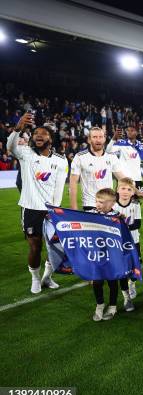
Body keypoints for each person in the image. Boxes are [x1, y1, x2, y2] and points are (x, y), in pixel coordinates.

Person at [7, 112, 68, 294]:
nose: (38, 135)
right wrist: (18, 128)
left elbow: (58, 188)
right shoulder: (25, 154)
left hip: (50, 210)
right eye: (35, 133)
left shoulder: (60, 160)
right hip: (31, 209)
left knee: (54, 247)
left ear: (51, 138)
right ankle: (35, 278)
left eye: (43, 133)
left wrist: (54, 210)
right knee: (35, 246)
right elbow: (11, 147)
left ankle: (47, 277)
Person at [69, 127, 126, 211]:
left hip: (110, 205)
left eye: (100, 137)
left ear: (104, 139)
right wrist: (73, 208)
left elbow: (122, 178)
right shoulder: (80, 157)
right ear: (89, 140)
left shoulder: (111, 157)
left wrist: (137, 192)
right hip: (91, 204)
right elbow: (73, 182)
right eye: (95, 137)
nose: (98, 140)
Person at [89, 188, 123, 321]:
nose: (98, 204)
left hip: (112, 255)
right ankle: (100, 304)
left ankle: (113, 306)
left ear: (112, 204)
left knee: (112, 281)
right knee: (97, 281)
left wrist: (123, 221)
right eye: (97, 201)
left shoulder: (117, 215)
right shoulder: (90, 213)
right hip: (96, 254)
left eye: (102, 202)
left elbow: (124, 232)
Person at [113, 177, 142, 303]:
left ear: (133, 193)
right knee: (123, 265)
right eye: (123, 188)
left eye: (129, 189)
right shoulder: (113, 205)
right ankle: (125, 289)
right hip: (118, 242)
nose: (125, 191)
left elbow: (137, 224)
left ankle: (132, 283)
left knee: (136, 264)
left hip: (133, 241)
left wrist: (123, 226)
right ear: (117, 190)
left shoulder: (135, 205)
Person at [106, 126, 143, 193]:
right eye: (128, 130)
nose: (129, 132)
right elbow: (108, 151)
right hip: (125, 178)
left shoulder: (140, 146)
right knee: (123, 201)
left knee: (137, 202)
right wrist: (113, 138)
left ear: (136, 133)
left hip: (137, 178)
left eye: (132, 130)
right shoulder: (122, 143)